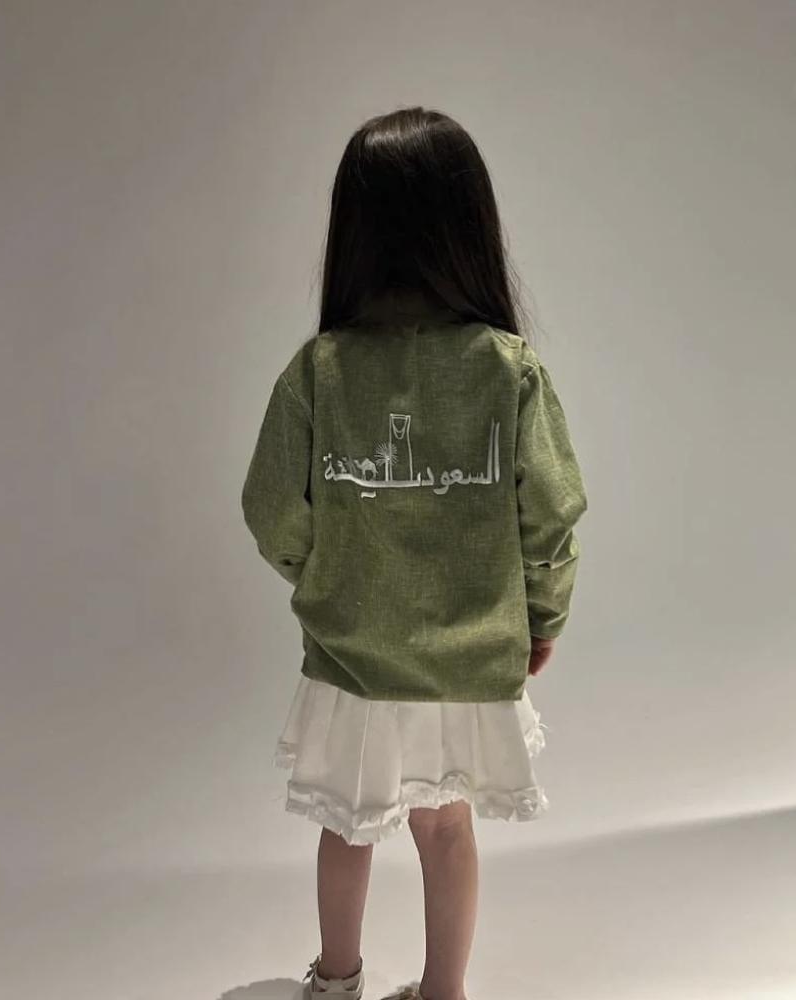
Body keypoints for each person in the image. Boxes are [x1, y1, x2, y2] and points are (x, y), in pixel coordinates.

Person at [241, 106, 588, 1000]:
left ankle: (335, 981)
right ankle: (443, 991)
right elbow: (549, 516)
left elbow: (271, 508)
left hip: (354, 654)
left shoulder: (319, 370)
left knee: (345, 824)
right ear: (468, 226)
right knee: (446, 827)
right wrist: (540, 618)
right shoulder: (507, 369)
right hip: (467, 655)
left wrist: (327, 575)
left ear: (352, 229)